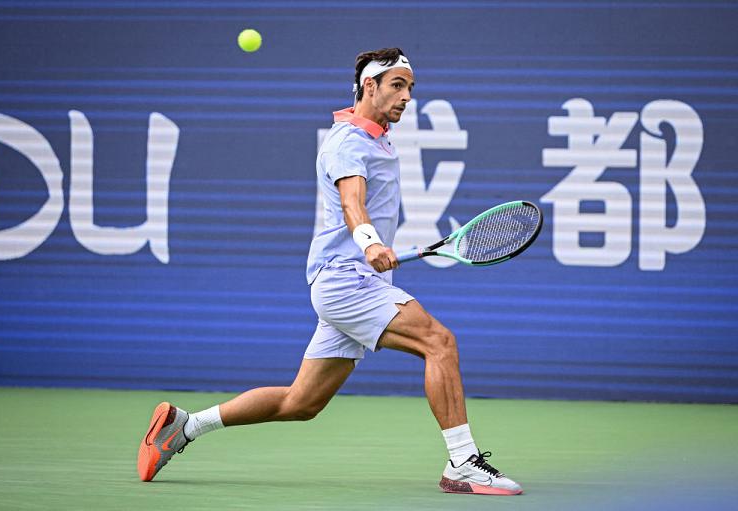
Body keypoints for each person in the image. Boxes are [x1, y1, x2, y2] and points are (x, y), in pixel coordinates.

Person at [137, 47, 522, 496]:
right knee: (439, 343)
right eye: (397, 86)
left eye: (411, 89)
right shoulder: (348, 142)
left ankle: (183, 427)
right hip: (346, 280)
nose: (406, 97)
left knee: (301, 402)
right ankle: (462, 464)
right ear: (369, 86)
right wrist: (370, 242)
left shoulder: (376, 139)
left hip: (351, 282)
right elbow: (351, 203)